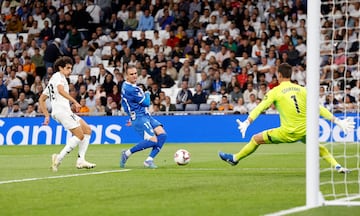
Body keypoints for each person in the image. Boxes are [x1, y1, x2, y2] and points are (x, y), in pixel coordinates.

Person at [219, 63, 354, 174]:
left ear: (279, 75)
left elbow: (260, 107)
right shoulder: (302, 89)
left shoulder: (275, 91)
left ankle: (235, 158)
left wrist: (247, 121)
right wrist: (337, 121)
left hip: (288, 132)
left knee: (255, 139)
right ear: (291, 75)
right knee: (319, 148)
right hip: (305, 130)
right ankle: (338, 167)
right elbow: (318, 108)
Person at [39, 56, 96, 172]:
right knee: (80, 135)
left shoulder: (53, 81)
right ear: (60, 68)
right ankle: (58, 158)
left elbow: (41, 99)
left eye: (71, 68)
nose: (70, 71)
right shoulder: (57, 77)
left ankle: (81, 160)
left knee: (87, 130)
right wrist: (74, 101)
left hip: (62, 111)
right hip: (62, 111)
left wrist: (46, 116)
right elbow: (60, 90)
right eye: (68, 68)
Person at [120, 66, 167, 169]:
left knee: (162, 134)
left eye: (135, 73)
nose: (134, 76)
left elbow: (125, 103)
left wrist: (129, 115)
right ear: (126, 76)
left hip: (146, 115)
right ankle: (127, 153)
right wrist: (147, 93)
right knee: (153, 140)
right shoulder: (130, 89)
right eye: (131, 74)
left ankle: (149, 160)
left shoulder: (128, 85)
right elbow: (146, 103)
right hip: (139, 117)